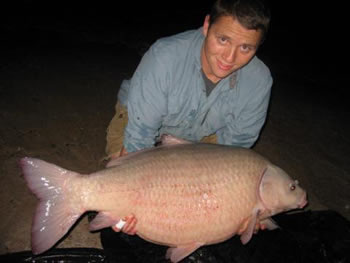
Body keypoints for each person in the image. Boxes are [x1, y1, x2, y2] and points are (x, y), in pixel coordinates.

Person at [105, 0, 272, 234]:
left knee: (208, 208)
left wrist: (236, 208)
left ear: (258, 46)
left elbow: (233, 154)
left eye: (246, 48)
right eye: (223, 39)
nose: (230, 57)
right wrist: (128, 198)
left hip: (203, 136)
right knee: (123, 203)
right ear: (206, 25)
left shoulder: (260, 82)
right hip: (139, 122)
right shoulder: (165, 55)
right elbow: (139, 138)